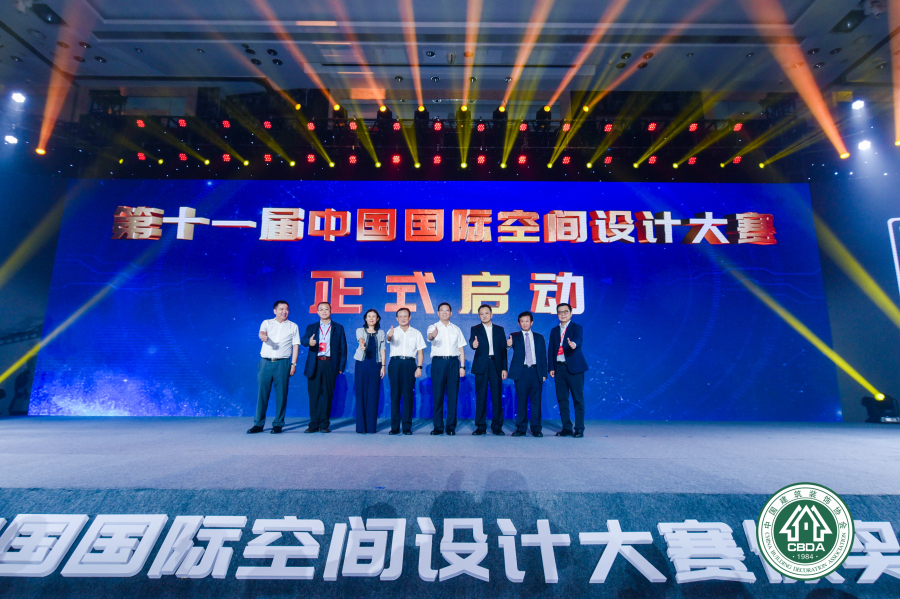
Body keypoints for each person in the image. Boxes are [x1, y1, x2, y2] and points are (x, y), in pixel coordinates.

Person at [248, 300, 300, 435]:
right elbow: (261, 333)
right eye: (281, 309)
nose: (284, 311)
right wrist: (262, 336)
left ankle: (278, 424)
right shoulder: (267, 323)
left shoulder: (293, 326)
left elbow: (295, 346)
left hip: (283, 363)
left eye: (287, 309)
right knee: (262, 394)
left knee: (282, 394)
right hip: (265, 362)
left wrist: (293, 364)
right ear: (275, 311)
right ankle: (258, 424)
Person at [302, 301, 347, 433]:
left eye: (326, 309)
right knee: (314, 395)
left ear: (331, 311)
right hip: (315, 363)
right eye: (321, 309)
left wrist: (341, 366)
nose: (324, 311)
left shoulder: (338, 327)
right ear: (317, 312)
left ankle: (324, 424)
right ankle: (313, 424)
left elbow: (343, 348)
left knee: (327, 394)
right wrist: (309, 342)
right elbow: (303, 340)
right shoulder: (312, 327)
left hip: (330, 363)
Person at [548, 302, 588, 437]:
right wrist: (551, 367)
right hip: (559, 368)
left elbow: (578, 339)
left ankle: (579, 428)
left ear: (571, 313)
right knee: (562, 399)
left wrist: (574, 344)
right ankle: (566, 428)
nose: (563, 314)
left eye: (565, 311)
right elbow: (551, 350)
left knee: (578, 399)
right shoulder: (554, 331)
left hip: (574, 368)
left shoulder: (576, 327)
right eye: (560, 312)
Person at [426, 302, 467, 435]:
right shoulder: (433, 327)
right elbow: (429, 337)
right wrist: (433, 335)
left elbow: (461, 349)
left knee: (452, 396)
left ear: (451, 313)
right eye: (442, 310)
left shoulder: (456, 329)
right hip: (438, 363)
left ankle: (450, 427)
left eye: (447, 310)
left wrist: (462, 366)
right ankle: (438, 427)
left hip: (453, 363)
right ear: (438, 313)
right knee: (438, 395)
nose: (444, 312)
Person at [386, 308, 426, 435]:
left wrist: (419, 367)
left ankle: (407, 427)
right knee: (395, 395)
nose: (403, 318)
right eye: (400, 316)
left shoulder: (416, 333)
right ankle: (394, 427)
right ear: (396, 318)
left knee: (408, 396)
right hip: (395, 363)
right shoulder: (392, 331)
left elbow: (420, 352)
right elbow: (389, 338)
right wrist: (390, 335)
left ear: (409, 318)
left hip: (409, 364)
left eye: (405, 316)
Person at [469, 304, 508, 435]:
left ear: (491, 314)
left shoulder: (499, 330)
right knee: (481, 396)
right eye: (481, 314)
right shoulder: (475, 329)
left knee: (496, 397)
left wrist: (504, 368)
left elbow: (503, 350)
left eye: (486, 313)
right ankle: (480, 426)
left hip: (496, 365)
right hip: (481, 366)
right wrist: (473, 345)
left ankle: (497, 426)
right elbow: (472, 342)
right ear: (479, 316)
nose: (484, 316)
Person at [507, 311, 547, 437]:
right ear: (519, 323)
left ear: (532, 322)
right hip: (521, 372)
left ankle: (536, 428)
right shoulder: (514, 336)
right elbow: (506, 347)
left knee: (536, 402)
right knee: (521, 401)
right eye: (522, 321)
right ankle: (521, 428)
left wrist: (543, 373)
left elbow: (543, 356)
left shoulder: (539, 337)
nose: (525, 323)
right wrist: (508, 346)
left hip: (536, 372)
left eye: (527, 321)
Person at [354, 309, 386, 434]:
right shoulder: (360, 330)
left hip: (376, 365)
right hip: (361, 364)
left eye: (374, 316)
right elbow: (360, 338)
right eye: (369, 316)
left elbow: (382, 349)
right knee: (361, 394)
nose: (371, 318)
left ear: (377, 319)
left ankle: (371, 427)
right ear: (365, 318)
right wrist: (362, 344)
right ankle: (361, 427)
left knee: (373, 394)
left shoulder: (381, 332)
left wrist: (383, 366)